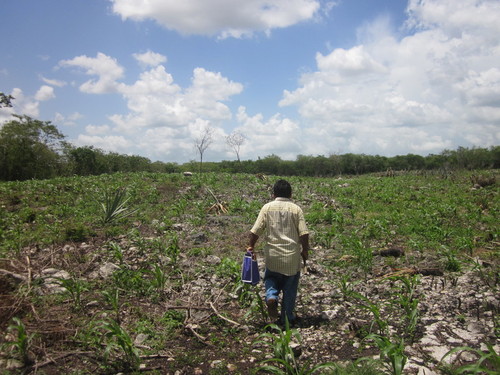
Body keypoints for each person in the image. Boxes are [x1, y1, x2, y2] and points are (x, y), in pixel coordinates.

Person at [247, 179, 309, 325]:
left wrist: (251, 246)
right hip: (291, 257)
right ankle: (287, 317)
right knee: (290, 287)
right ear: (291, 194)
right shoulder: (296, 209)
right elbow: (304, 233)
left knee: (270, 278)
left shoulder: (267, 208)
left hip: (273, 255)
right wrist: (305, 250)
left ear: (273, 194)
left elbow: (256, 230)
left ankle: (271, 295)